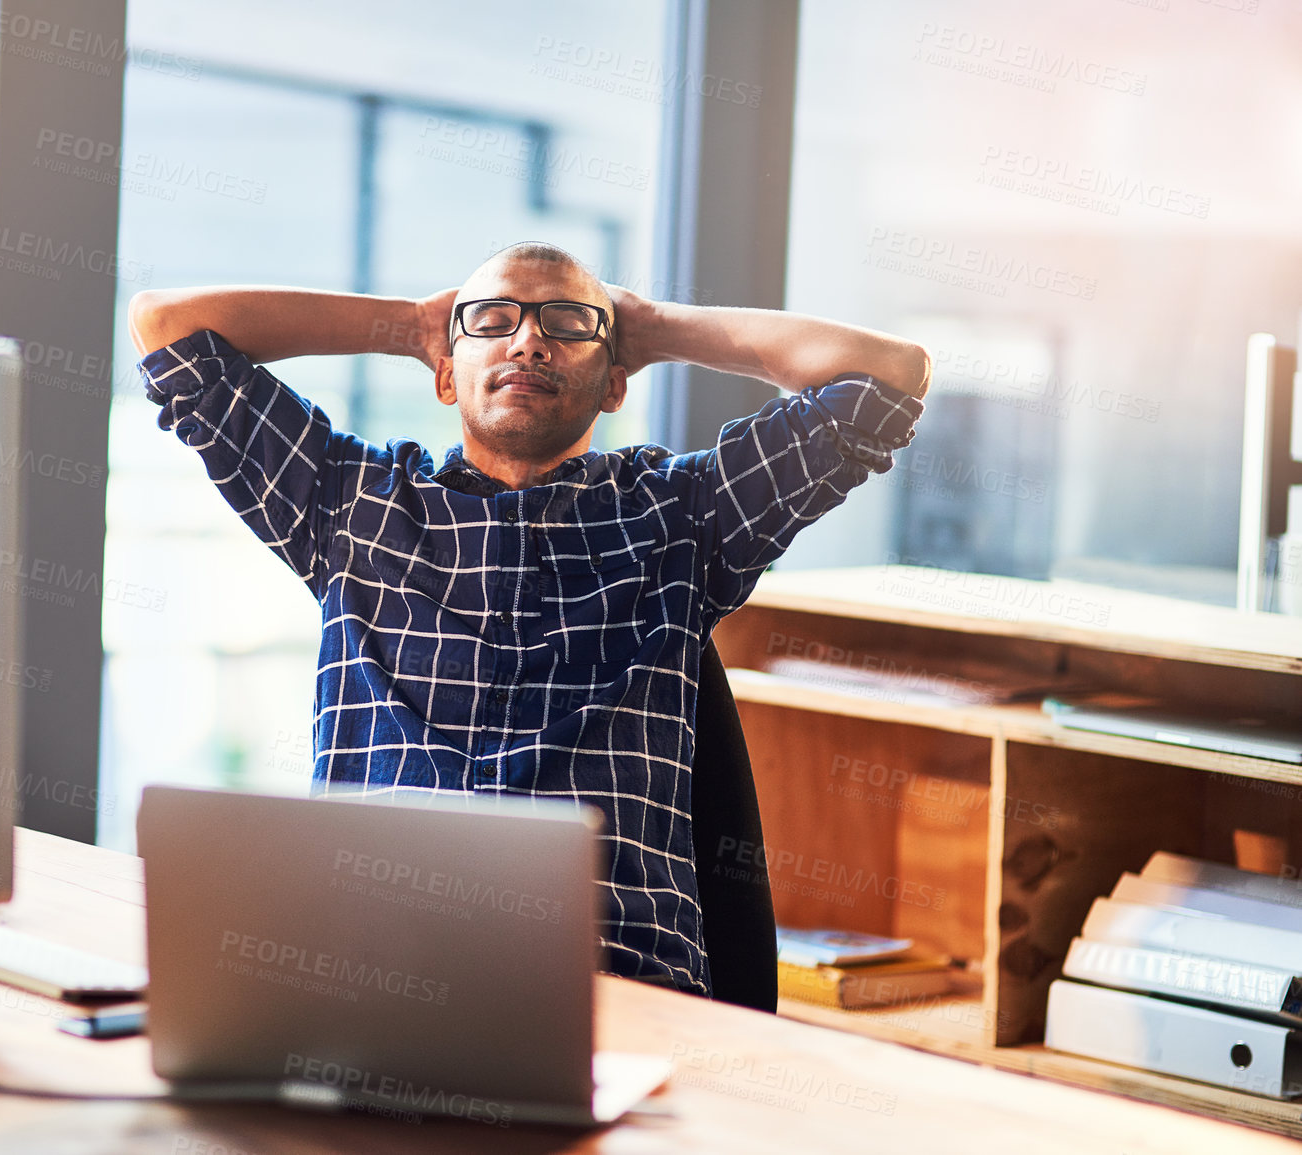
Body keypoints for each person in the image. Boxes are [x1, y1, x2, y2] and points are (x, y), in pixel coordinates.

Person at [129, 241, 929, 999]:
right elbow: (169, 327)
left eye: (567, 323)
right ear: (445, 372)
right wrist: (409, 323)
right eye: (491, 320)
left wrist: (648, 327)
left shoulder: (684, 518)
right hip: (368, 964)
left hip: (615, 982)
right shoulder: (349, 502)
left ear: (617, 383)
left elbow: (887, 376)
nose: (529, 342)